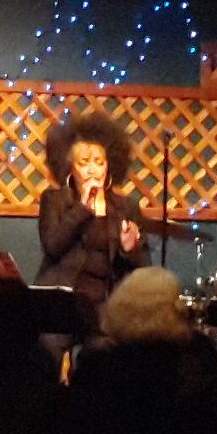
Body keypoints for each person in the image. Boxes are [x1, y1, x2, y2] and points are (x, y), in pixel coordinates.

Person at [34, 109, 148, 325]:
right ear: (70, 168)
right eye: (84, 162)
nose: (92, 170)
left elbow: (140, 268)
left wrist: (129, 249)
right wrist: (82, 209)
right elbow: (52, 247)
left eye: (99, 162)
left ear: (108, 166)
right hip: (65, 298)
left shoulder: (127, 207)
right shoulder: (54, 200)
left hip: (107, 302)